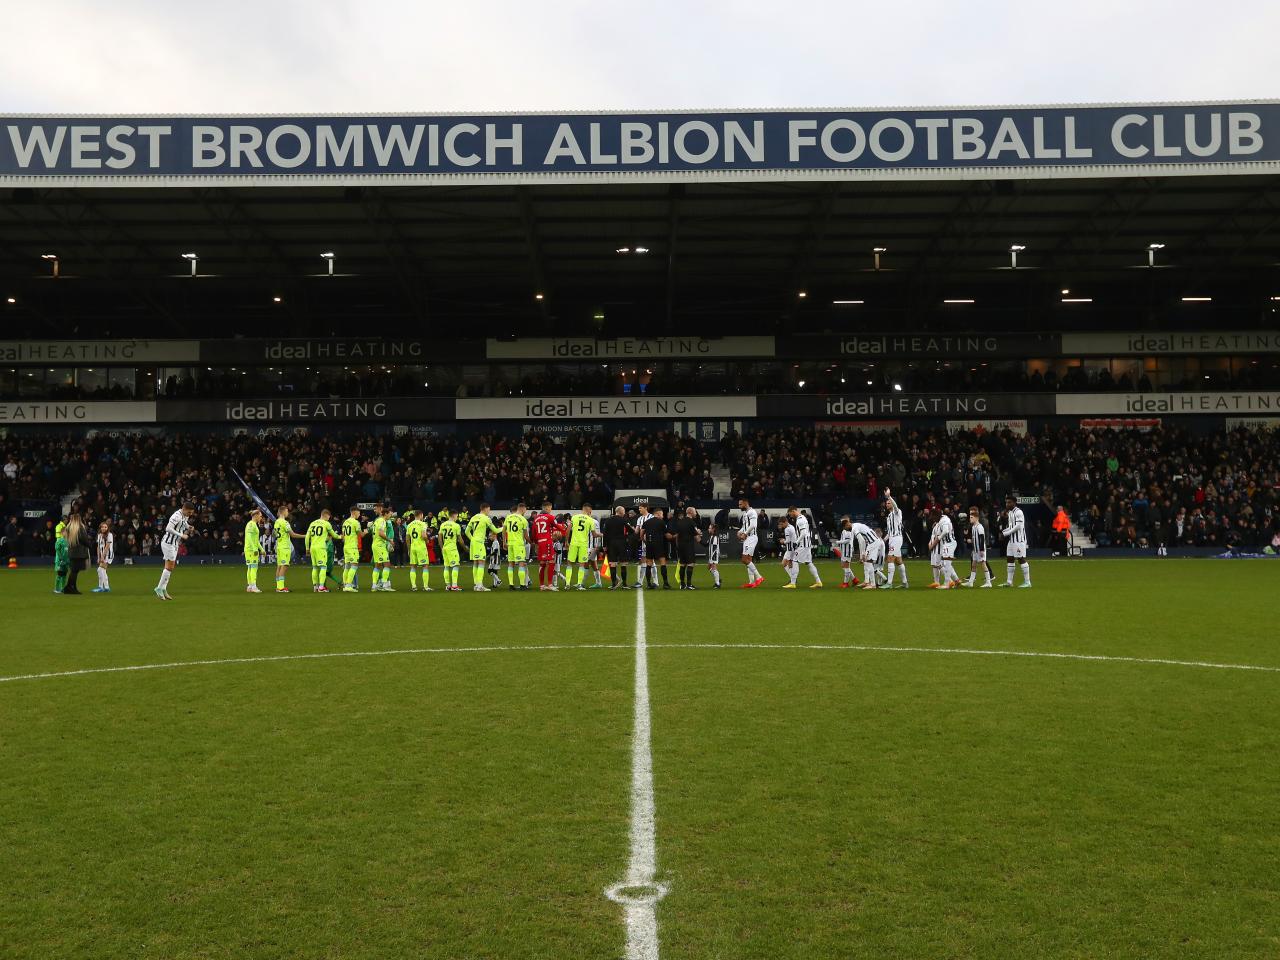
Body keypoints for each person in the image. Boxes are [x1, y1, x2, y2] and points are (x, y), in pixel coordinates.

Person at [155, 501, 196, 600]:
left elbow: (183, 523)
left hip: (174, 543)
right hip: (168, 543)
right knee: (170, 567)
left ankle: (163, 589)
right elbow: (168, 528)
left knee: (170, 567)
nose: (190, 515)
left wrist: (188, 527)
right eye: (189, 512)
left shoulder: (184, 516)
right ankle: (159, 588)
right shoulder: (176, 516)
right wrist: (181, 535)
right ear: (184, 509)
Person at [464, 503, 501, 592]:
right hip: (479, 543)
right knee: (481, 563)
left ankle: (476, 585)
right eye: (489, 509)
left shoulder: (473, 517)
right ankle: (480, 585)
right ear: (485, 509)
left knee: (476, 563)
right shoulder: (486, 518)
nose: (489, 511)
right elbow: (495, 530)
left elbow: (466, 531)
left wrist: (472, 539)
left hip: (473, 543)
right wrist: (504, 527)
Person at [305, 509, 343, 594]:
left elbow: (307, 537)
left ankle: (315, 586)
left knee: (315, 567)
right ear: (326, 515)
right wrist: (341, 537)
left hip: (312, 547)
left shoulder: (313, 523)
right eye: (329, 516)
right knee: (323, 567)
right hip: (321, 548)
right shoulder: (326, 524)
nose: (329, 518)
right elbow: (334, 535)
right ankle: (321, 587)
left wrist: (307, 548)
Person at [1001, 495, 1032, 588]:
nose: (1007, 504)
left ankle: (1027, 582)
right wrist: (1004, 531)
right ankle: (1009, 582)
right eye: (1006, 502)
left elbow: (1018, 526)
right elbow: (1012, 526)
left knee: (1021, 559)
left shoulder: (1019, 512)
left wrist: (1006, 533)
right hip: (1012, 540)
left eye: (1009, 502)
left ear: (1014, 503)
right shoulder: (1010, 513)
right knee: (1010, 559)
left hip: (1019, 540)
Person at [787, 506, 823, 588]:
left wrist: (796, 542)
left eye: (790, 514)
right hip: (807, 543)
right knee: (808, 562)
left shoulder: (800, 520)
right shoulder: (803, 517)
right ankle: (818, 582)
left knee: (795, 561)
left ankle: (793, 583)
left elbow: (803, 533)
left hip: (803, 544)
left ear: (793, 511)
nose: (790, 516)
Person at [531, 501, 563, 591]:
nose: (551, 510)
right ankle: (550, 584)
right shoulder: (550, 517)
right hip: (548, 542)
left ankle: (542, 585)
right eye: (550, 508)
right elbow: (559, 527)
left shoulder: (536, 518)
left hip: (540, 543)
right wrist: (563, 528)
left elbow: (533, 533)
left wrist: (536, 543)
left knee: (542, 563)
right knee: (552, 561)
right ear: (547, 508)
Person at [566, 504, 598, 591]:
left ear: (582, 509)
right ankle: (579, 584)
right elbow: (594, 535)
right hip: (584, 545)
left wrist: (566, 541)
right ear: (589, 510)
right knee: (582, 564)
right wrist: (601, 534)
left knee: (569, 563)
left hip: (573, 543)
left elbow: (568, 529)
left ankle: (567, 584)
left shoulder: (574, 517)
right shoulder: (590, 520)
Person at [273, 506, 304, 594]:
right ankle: (281, 587)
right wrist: (305, 536)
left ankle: (278, 586)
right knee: (284, 566)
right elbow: (292, 534)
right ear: (283, 512)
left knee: (279, 566)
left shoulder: (276, 522)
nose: (288, 513)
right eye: (287, 511)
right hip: (285, 547)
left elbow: (275, 535)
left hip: (279, 546)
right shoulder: (285, 522)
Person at [883, 487, 909, 589]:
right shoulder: (889, 516)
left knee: (890, 559)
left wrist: (889, 496)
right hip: (892, 539)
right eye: (886, 503)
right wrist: (883, 540)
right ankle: (904, 583)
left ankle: (889, 583)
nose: (887, 504)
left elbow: (896, 506)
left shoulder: (897, 512)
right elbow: (889, 532)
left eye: (889, 503)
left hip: (897, 538)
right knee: (898, 561)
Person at [602, 506, 632, 590]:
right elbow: (631, 530)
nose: (624, 512)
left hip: (611, 544)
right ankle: (625, 584)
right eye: (624, 511)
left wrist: (604, 545)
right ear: (620, 511)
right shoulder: (623, 520)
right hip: (622, 544)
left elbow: (605, 534)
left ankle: (613, 584)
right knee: (623, 564)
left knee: (612, 564)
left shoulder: (608, 520)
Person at [503, 502, 531, 591]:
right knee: (521, 563)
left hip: (510, 543)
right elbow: (526, 536)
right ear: (522, 509)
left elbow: (504, 530)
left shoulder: (508, 517)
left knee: (510, 564)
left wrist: (504, 542)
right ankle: (522, 585)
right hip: (518, 544)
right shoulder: (523, 519)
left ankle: (511, 585)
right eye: (525, 510)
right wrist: (532, 542)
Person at [963, 508, 994, 588]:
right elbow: (975, 538)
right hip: (975, 550)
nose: (970, 519)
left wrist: (981, 550)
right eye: (970, 517)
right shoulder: (973, 527)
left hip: (980, 550)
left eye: (971, 517)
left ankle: (988, 582)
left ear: (976, 518)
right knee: (973, 565)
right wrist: (971, 541)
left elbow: (981, 538)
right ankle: (971, 582)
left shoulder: (980, 527)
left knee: (983, 564)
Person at [737, 497, 763, 588]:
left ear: (745, 503)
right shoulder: (746, 513)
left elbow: (753, 525)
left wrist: (745, 533)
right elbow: (745, 526)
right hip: (748, 538)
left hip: (751, 538)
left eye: (740, 504)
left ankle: (759, 577)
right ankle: (751, 582)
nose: (739, 506)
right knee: (749, 560)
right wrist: (740, 531)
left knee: (744, 559)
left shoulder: (752, 512)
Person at [368, 505, 394, 592]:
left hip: (374, 544)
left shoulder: (377, 521)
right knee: (387, 564)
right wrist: (389, 540)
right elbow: (381, 533)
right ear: (385, 514)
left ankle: (374, 585)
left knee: (377, 566)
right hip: (380, 545)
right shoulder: (382, 521)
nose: (390, 516)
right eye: (389, 514)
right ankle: (385, 585)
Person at [643, 507, 670, 589]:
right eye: (662, 514)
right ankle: (665, 584)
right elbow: (666, 535)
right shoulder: (661, 522)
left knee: (649, 564)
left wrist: (645, 541)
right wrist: (673, 536)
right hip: (659, 545)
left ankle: (648, 584)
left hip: (649, 545)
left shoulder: (646, 522)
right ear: (657, 514)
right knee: (662, 562)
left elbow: (641, 534)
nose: (662, 516)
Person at [63, 513, 90, 596]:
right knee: (75, 571)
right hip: (80, 553)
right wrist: (89, 544)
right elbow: (84, 540)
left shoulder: (68, 528)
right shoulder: (80, 528)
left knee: (73, 570)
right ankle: (72, 588)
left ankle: (68, 587)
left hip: (72, 552)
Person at [438, 508, 464, 592]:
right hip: (452, 548)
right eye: (457, 516)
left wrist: (442, 548)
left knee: (446, 566)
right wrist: (465, 547)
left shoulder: (443, 524)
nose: (457, 517)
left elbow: (439, 537)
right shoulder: (456, 525)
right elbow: (460, 539)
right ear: (454, 515)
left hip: (445, 548)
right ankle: (454, 586)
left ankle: (448, 586)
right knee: (455, 566)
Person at [406, 509, 431, 592]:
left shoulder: (409, 525)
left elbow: (407, 539)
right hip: (421, 547)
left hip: (413, 547)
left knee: (413, 566)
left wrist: (409, 549)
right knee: (425, 565)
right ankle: (425, 586)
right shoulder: (423, 524)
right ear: (421, 515)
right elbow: (424, 535)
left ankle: (414, 586)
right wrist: (427, 540)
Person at [342, 507, 365, 592]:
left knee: (347, 567)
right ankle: (348, 585)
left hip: (346, 546)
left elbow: (343, 536)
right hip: (352, 547)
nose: (359, 515)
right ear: (354, 512)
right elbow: (361, 535)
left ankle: (345, 585)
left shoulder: (345, 522)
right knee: (354, 566)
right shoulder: (356, 522)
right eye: (359, 513)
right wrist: (366, 531)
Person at [834, 516, 859, 588]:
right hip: (844, 550)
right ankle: (854, 579)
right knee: (843, 566)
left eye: (848, 523)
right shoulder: (844, 531)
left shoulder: (849, 531)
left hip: (848, 551)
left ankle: (846, 583)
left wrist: (838, 542)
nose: (848, 525)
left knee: (846, 567)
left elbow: (847, 541)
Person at [244, 509, 263, 593]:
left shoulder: (252, 524)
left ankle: (250, 586)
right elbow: (249, 537)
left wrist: (261, 549)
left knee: (250, 567)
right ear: (256, 515)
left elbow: (255, 539)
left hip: (250, 549)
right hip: (251, 550)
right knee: (254, 567)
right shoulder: (251, 524)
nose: (261, 517)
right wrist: (255, 549)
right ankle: (254, 586)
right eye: (260, 515)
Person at [93, 520, 115, 593]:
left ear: (107, 528)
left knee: (101, 570)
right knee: (101, 570)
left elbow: (107, 547)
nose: (104, 528)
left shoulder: (110, 535)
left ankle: (104, 587)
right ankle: (103, 587)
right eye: (102, 527)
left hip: (108, 555)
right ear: (100, 528)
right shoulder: (99, 535)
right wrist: (98, 557)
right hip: (103, 555)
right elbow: (98, 547)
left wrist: (102, 556)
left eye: (105, 527)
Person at [53, 522, 69, 594]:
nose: (67, 533)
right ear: (62, 533)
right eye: (66, 532)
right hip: (60, 561)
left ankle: (63, 588)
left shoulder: (68, 541)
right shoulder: (59, 541)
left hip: (66, 561)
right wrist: (61, 559)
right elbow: (57, 550)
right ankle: (56, 589)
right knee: (59, 574)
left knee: (64, 575)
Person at [705, 521, 722, 589]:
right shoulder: (711, 537)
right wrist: (699, 540)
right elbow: (706, 544)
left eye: (710, 528)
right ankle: (718, 579)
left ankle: (717, 583)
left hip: (714, 555)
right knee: (709, 567)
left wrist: (713, 558)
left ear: (713, 529)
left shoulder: (715, 538)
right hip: (711, 555)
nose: (708, 529)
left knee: (713, 567)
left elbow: (715, 548)